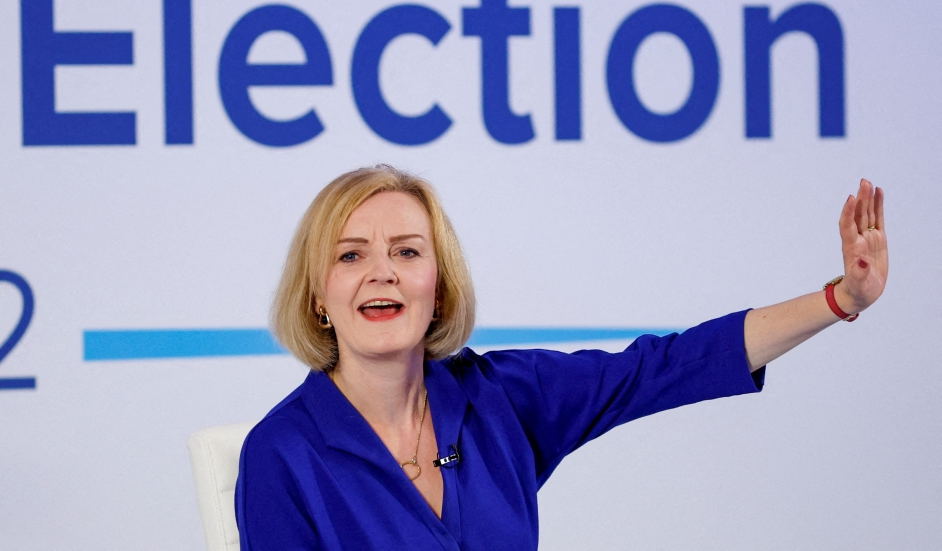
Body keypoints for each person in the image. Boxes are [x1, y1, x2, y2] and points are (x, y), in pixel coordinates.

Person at [235, 165, 887, 551]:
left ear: (439, 287)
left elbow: (664, 369)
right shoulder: (280, 454)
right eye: (351, 255)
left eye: (407, 252)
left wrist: (842, 297)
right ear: (320, 296)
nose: (383, 272)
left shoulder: (502, 400)